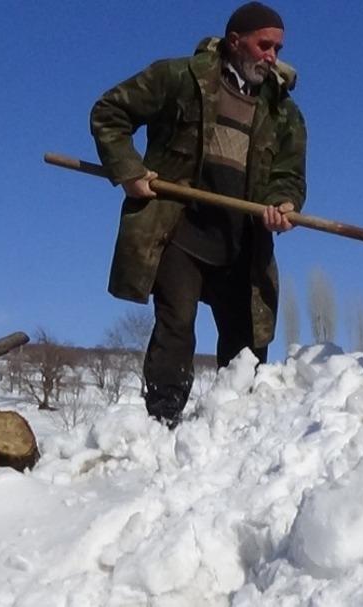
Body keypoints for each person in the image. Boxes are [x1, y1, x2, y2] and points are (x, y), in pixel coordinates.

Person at [90, 1, 307, 427]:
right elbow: (109, 112)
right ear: (234, 41)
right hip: (179, 234)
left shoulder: (284, 112)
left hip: (242, 244)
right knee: (176, 327)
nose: (272, 57)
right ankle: (162, 421)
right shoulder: (179, 78)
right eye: (265, 45)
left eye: (277, 49)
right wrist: (129, 171)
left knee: (247, 343)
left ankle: (237, 428)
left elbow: (289, 174)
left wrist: (284, 203)